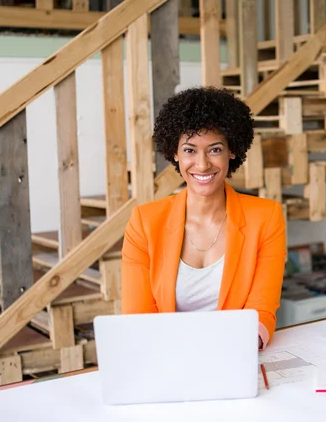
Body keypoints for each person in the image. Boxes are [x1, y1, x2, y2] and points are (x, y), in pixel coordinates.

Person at [121, 86, 287, 350]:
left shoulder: (266, 218)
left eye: (214, 149)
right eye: (189, 150)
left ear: (232, 150)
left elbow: (261, 311)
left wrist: (237, 349)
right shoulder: (144, 222)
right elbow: (139, 316)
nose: (201, 164)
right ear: (174, 153)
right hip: (167, 357)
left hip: (234, 354)